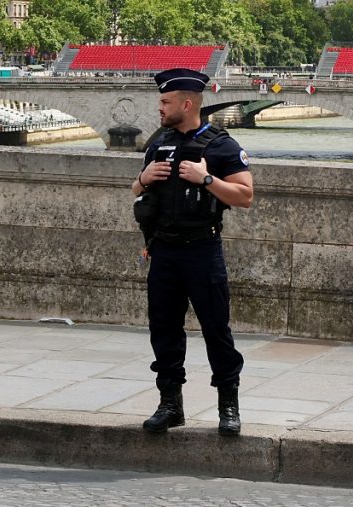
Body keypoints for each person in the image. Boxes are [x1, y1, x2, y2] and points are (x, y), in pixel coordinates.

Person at [131, 68, 254, 436]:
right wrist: (142, 179)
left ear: (187, 104)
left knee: (216, 329)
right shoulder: (159, 144)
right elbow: (138, 192)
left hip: (202, 250)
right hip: (163, 251)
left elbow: (245, 196)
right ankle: (170, 405)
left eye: (166, 102)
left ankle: (228, 407)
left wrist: (206, 179)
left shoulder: (221, 145)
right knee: (164, 330)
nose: (160, 108)